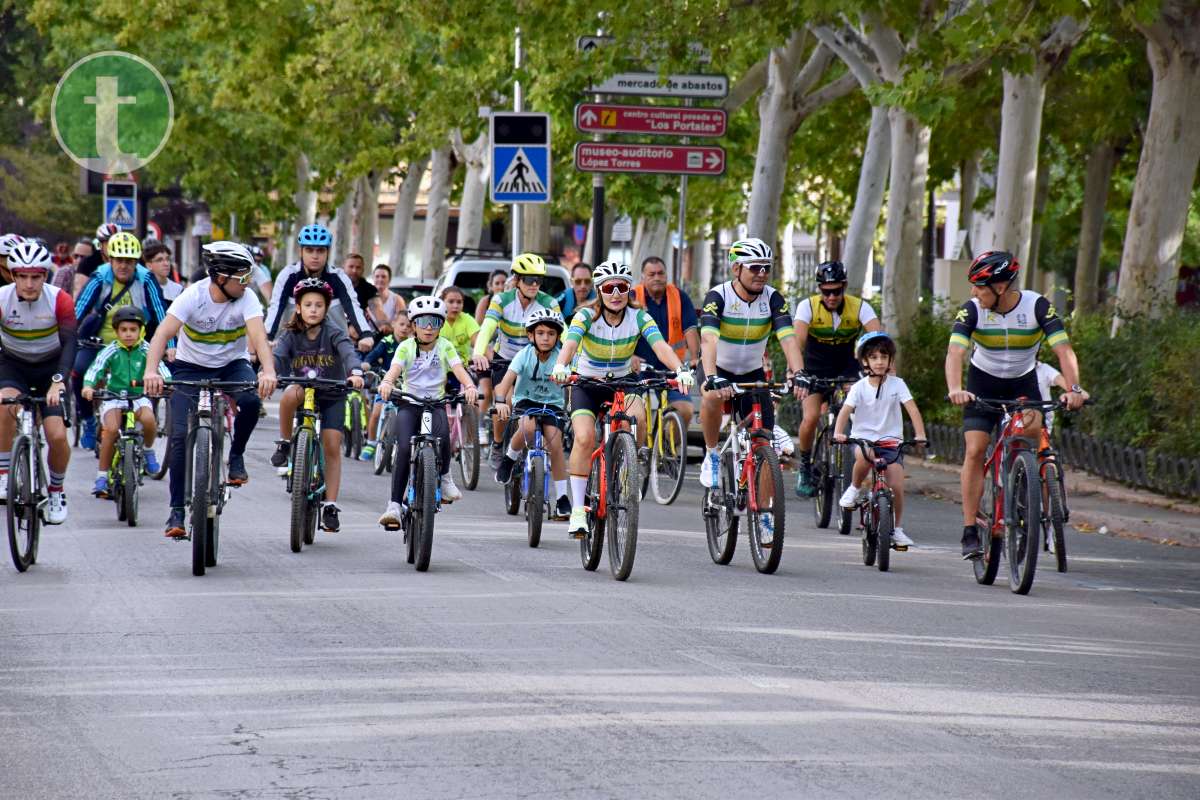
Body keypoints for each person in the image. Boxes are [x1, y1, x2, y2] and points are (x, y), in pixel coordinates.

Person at [946, 250, 1088, 559]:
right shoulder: (971, 310)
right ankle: (970, 529)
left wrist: (1075, 388)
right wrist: (955, 388)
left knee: (1033, 438)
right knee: (974, 450)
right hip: (982, 384)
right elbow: (956, 352)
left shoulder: (1038, 306)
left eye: (979, 287)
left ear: (1001, 287)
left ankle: (1026, 489)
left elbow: (1064, 350)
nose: (973, 293)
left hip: (1023, 382)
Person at [142, 241, 277, 539]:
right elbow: (162, 333)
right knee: (178, 437)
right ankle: (176, 510)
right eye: (242, 277)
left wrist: (268, 370)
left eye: (249, 275)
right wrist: (151, 371)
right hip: (190, 367)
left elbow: (258, 334)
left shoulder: (248, 298)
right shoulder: (193, 296)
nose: (247, 282)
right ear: (220, 277)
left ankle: (237, 456)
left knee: (251, 402)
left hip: (232, 365)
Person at [551, 261, 694, 538]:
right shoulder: (585, 316)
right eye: (608, 287)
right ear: (599, 290)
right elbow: (570, 343)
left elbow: (660, 345)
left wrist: (680, 369)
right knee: (583, 438)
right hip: (586, 383)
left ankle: (629, 461)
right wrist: (560, 366)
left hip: (623, 383)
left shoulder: (638, 317)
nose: (616, 293)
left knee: (639, 417)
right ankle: (579, 510)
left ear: (629, 290)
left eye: (622, 287)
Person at [698, 238, 805, 489]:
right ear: (737, 269)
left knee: (765, 444)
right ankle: (712, 454)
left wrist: (799, 372)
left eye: (766, 267)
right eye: (755, 267)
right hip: (718, 368)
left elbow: (788, 339)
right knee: (711, 397)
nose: (762, 273)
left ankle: (766, 517)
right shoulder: (718, 295)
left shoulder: (773, 299)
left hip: (751, 372)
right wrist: (712, 377)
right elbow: (708, 339)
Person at [269, 278, 365, 532]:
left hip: (332, 392)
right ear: (298, 308)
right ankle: (286, 443)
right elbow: (278, 358)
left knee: (332, 444)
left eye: (319, 305)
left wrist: (355, 372)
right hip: (303, 389)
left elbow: (348, 353)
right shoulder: (291, 334)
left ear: (326, 309)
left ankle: (330, 505)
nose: (313, 309)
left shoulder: (334, 332)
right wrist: (267, 373)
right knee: (290, 394)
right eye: (308, 304)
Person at [376, 296, 478, 528]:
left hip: (435, 403)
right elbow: (394, 369)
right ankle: (394, 505)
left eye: (434, 321)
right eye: (423, 322)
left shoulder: (445, 346)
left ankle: (444, 477)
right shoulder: (406, 347)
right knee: (403, 447)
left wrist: (470, 386)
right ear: (413, 325)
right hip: (410, 403)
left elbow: (458, 369)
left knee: (443, 439)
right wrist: (387, 382)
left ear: (441, 324)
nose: (429, 327)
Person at [0, 242, 77, 523]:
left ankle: (56, 490)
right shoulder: (1, 298)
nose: (29, 283)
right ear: (13, 276)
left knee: (56, 435)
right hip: (13, 365)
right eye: (22, 276)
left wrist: (59, 381)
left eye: (36, 277)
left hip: (50, 368)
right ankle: (4, 473)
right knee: (4, 406)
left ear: (45, 276)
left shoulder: (60, 299)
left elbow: (71, 342)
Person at [792, 260, 883, 497]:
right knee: (811, 417)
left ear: (844, 286)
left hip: (846, 368)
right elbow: (797, 342)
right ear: (819, 288)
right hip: (814, 369)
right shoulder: (807, 307)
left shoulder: (860, 306)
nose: (832, 296)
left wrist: (881, 369)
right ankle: (804, 465)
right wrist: (795, 373)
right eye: (826, 291)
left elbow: (878, 339)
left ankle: (861, 460)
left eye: (837, 291)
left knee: (857, 411)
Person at [72, 232, 170, 450]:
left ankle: (143, 432)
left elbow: (162, 314)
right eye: (119, 260)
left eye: (129, 261)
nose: (123, 266)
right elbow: (79, 310)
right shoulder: (99, 276)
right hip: (99, 342)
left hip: (137, 344)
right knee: (77, 371)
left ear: (136, 262)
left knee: (152, 378)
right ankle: (88, 420)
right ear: (110, 259)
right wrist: (67, 340)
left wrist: (169, 347)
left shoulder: (145, 279)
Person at [833, 331, 928, 548]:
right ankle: (854, 489)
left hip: (891, 441)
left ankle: (896, 529)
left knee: (896, 485)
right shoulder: (859, 387)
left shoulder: (898, 384)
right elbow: (845, 412)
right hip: (863, 439)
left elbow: (912, 410)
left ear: (890, 361)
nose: (879, 362)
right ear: (865, 361)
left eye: (884, 357)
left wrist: (920, 434)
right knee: (865, 457)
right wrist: (839, 432)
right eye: (874, 357)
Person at [471, 254, 562, 470]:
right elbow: (487, 328)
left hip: (535, 360)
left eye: (539, 280)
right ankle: (498, 442)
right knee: (507, 402)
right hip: (506, 360)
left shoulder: (549, 302)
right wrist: (479, 352)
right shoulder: (502, 300)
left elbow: (564, 334)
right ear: (517, 280)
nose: (534, 284)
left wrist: (571, 360)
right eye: (529, 279)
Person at [82, 306, 170, 497]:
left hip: (139, 397)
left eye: (133, 330)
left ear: (141, 331)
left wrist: (168, 383)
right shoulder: (111, 350)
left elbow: (160, 368)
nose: (128, 334)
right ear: (116, 331)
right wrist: (89, 385)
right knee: (111, 431)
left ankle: (147, 450)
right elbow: (94, 369)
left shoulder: (147, 349)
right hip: (114, 398)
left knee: (149, 420)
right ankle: (102, 476)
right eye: (124, 330)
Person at [493, 308, 572, 519]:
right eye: (541, 333)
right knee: (527, 427)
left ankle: (563, 498)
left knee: (555, 444)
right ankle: (509, 458)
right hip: (526, 400)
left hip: (553, 404)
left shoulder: (562, 357)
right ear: (531, 335)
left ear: (558, 336)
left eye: (551, 334)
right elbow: (504, 383)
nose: (546, 338)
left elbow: (575, 380)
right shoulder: (523, 355)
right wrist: (501, 401)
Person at [265, 225, 375, 352]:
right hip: (292, 345)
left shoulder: (339, 277)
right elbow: (275, 307)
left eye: (320, 250)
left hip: (331, 347)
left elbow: (353, 307)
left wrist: (365, 334)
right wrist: (268, 337)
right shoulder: (288, 275)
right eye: (309, 250)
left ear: (327, 252)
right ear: (301, 251)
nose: (315, 256)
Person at [633, 255, 700, 428]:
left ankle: (663, 447)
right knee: (634, 413)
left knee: (685, 410)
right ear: (642, 278)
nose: (657, 278)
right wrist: (630, 356)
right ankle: (637, 450)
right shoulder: (633, 296)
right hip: (639, 368)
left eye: (660, 273)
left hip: (672, 367)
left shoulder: (679, 296)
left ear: (666, 275)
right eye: (651, 274)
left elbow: (690, 329)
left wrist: (694, 357)